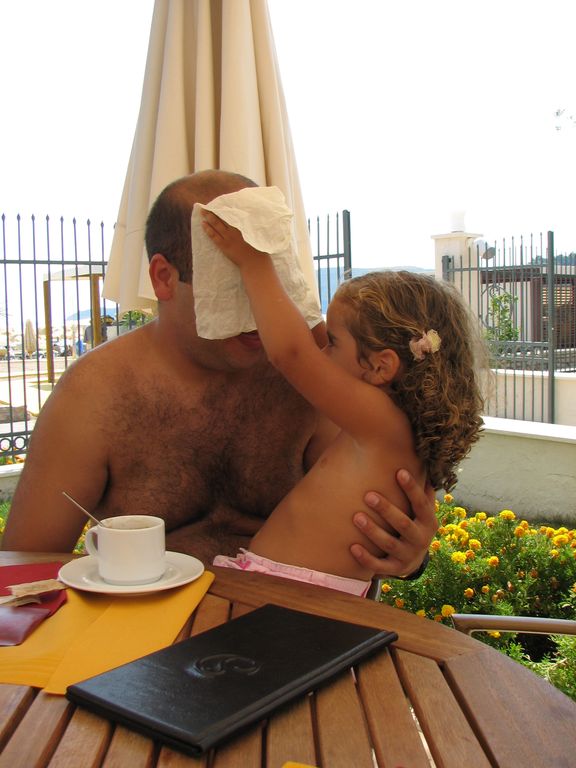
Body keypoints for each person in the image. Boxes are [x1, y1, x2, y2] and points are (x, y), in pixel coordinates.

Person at [2, 170, 436, 581]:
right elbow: (24, 566)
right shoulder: (96, 394)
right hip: (155, 629)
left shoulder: (313, 378)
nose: (256, 311)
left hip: (305, 620)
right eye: (233, 284)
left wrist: (410, 556)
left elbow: (377, 495)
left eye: (266, 276)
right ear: (163, 278)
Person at [202, 209, 484, 595]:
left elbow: (291, 354)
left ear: (381, 366)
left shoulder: (381, 421)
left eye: (333, 342)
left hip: (289, 597)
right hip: (311, 595)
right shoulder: (403, 431)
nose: (322, 351)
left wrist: (254, 262)